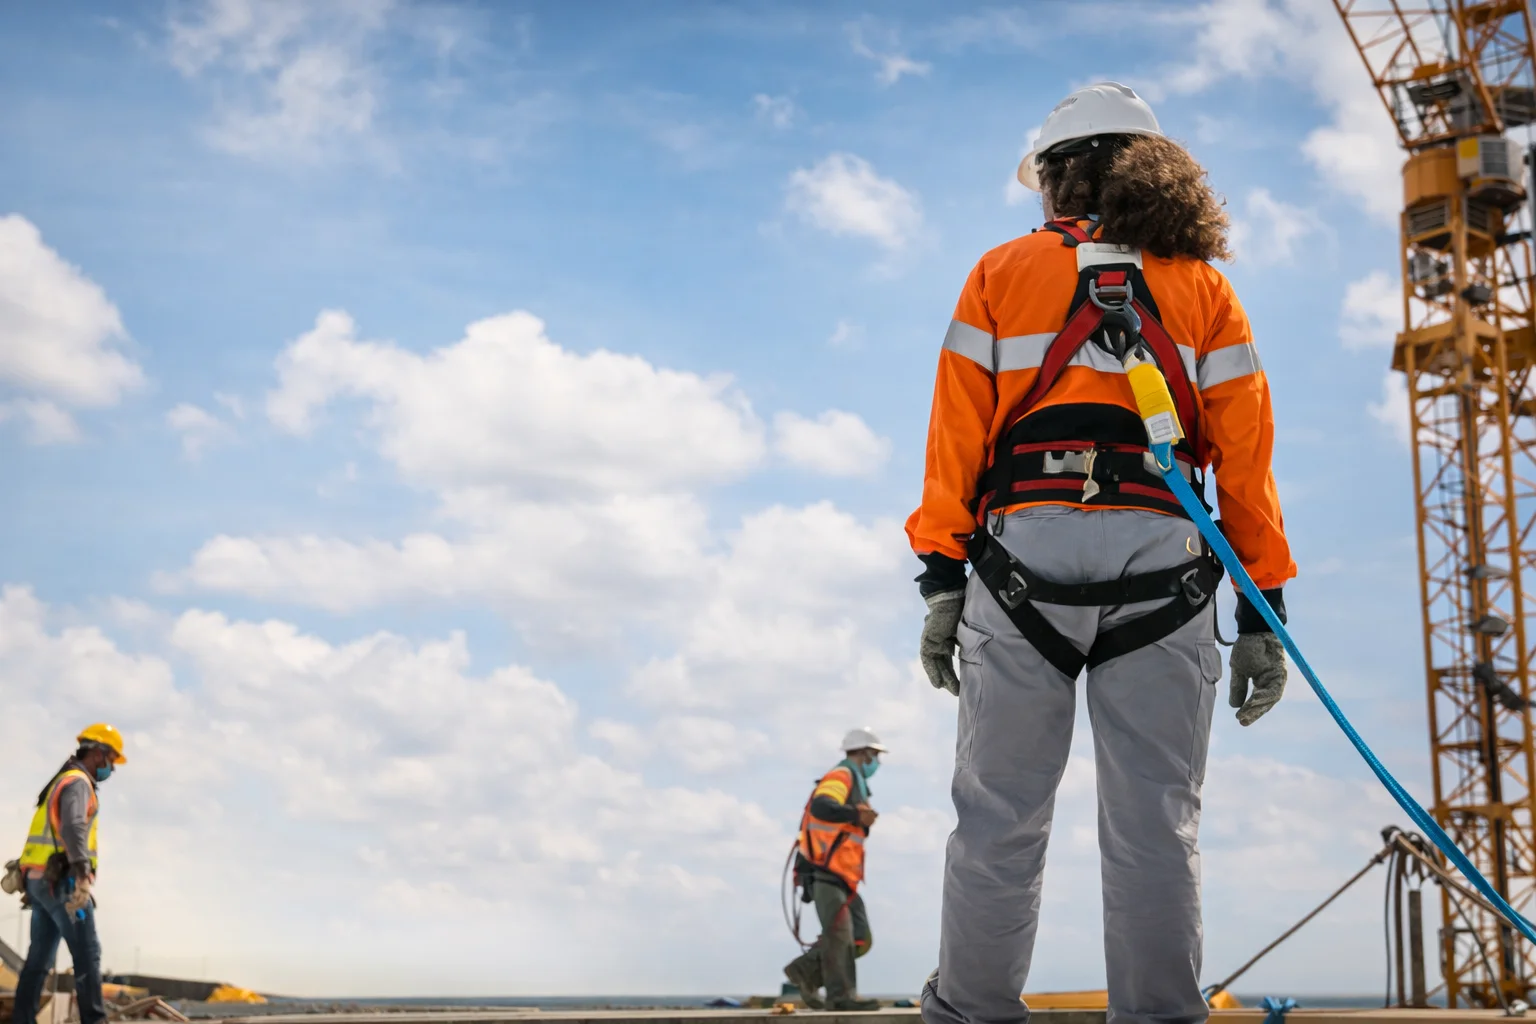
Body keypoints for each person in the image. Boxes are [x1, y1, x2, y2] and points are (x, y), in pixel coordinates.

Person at [909, 83, 1295, 1024]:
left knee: (999, 819)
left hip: (1020, 557)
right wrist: (1265, 615)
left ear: (1050, 180)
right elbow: (1245, 467)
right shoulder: (1204, 287)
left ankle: (971, 1012)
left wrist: (942, 581)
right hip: (1167, 555)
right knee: (1157, 826)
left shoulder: (999, 273)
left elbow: (956, 441)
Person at [9, 724, 127, 1024]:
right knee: (88, 954)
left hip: (41, 882)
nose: (111, 767)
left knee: (39, 959)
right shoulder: (78, 783)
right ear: (98, 753)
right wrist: (83, 874)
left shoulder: (61, 780)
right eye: (111, 759)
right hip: (62, 883)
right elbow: (73, 827)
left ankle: (22, 1019)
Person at [782, 728, 887, 1013]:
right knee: (839, 934)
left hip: (844, 877)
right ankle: (840, 997)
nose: (877, 761)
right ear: (863, 752)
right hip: (826, 872)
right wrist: (856, 814)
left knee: (859, 936)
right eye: (875, 755)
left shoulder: (856, 781)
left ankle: (806, 970)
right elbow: (822, 806)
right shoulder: (842, 775)